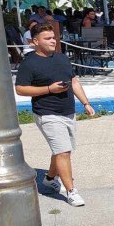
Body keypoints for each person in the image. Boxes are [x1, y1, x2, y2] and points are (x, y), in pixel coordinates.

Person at [14, 23, 96, 207]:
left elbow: (74, 81)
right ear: (35, 41)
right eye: (48, 38)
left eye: (53, 37)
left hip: (68, 111)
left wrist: (86, 103)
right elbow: (20, 89)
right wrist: (49, 89)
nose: (53, 41)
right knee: (63, 151)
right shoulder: (29, 63)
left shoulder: (61, 58)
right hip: (47, 113)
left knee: (62, 150)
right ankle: (71, 191)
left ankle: (50, 178)